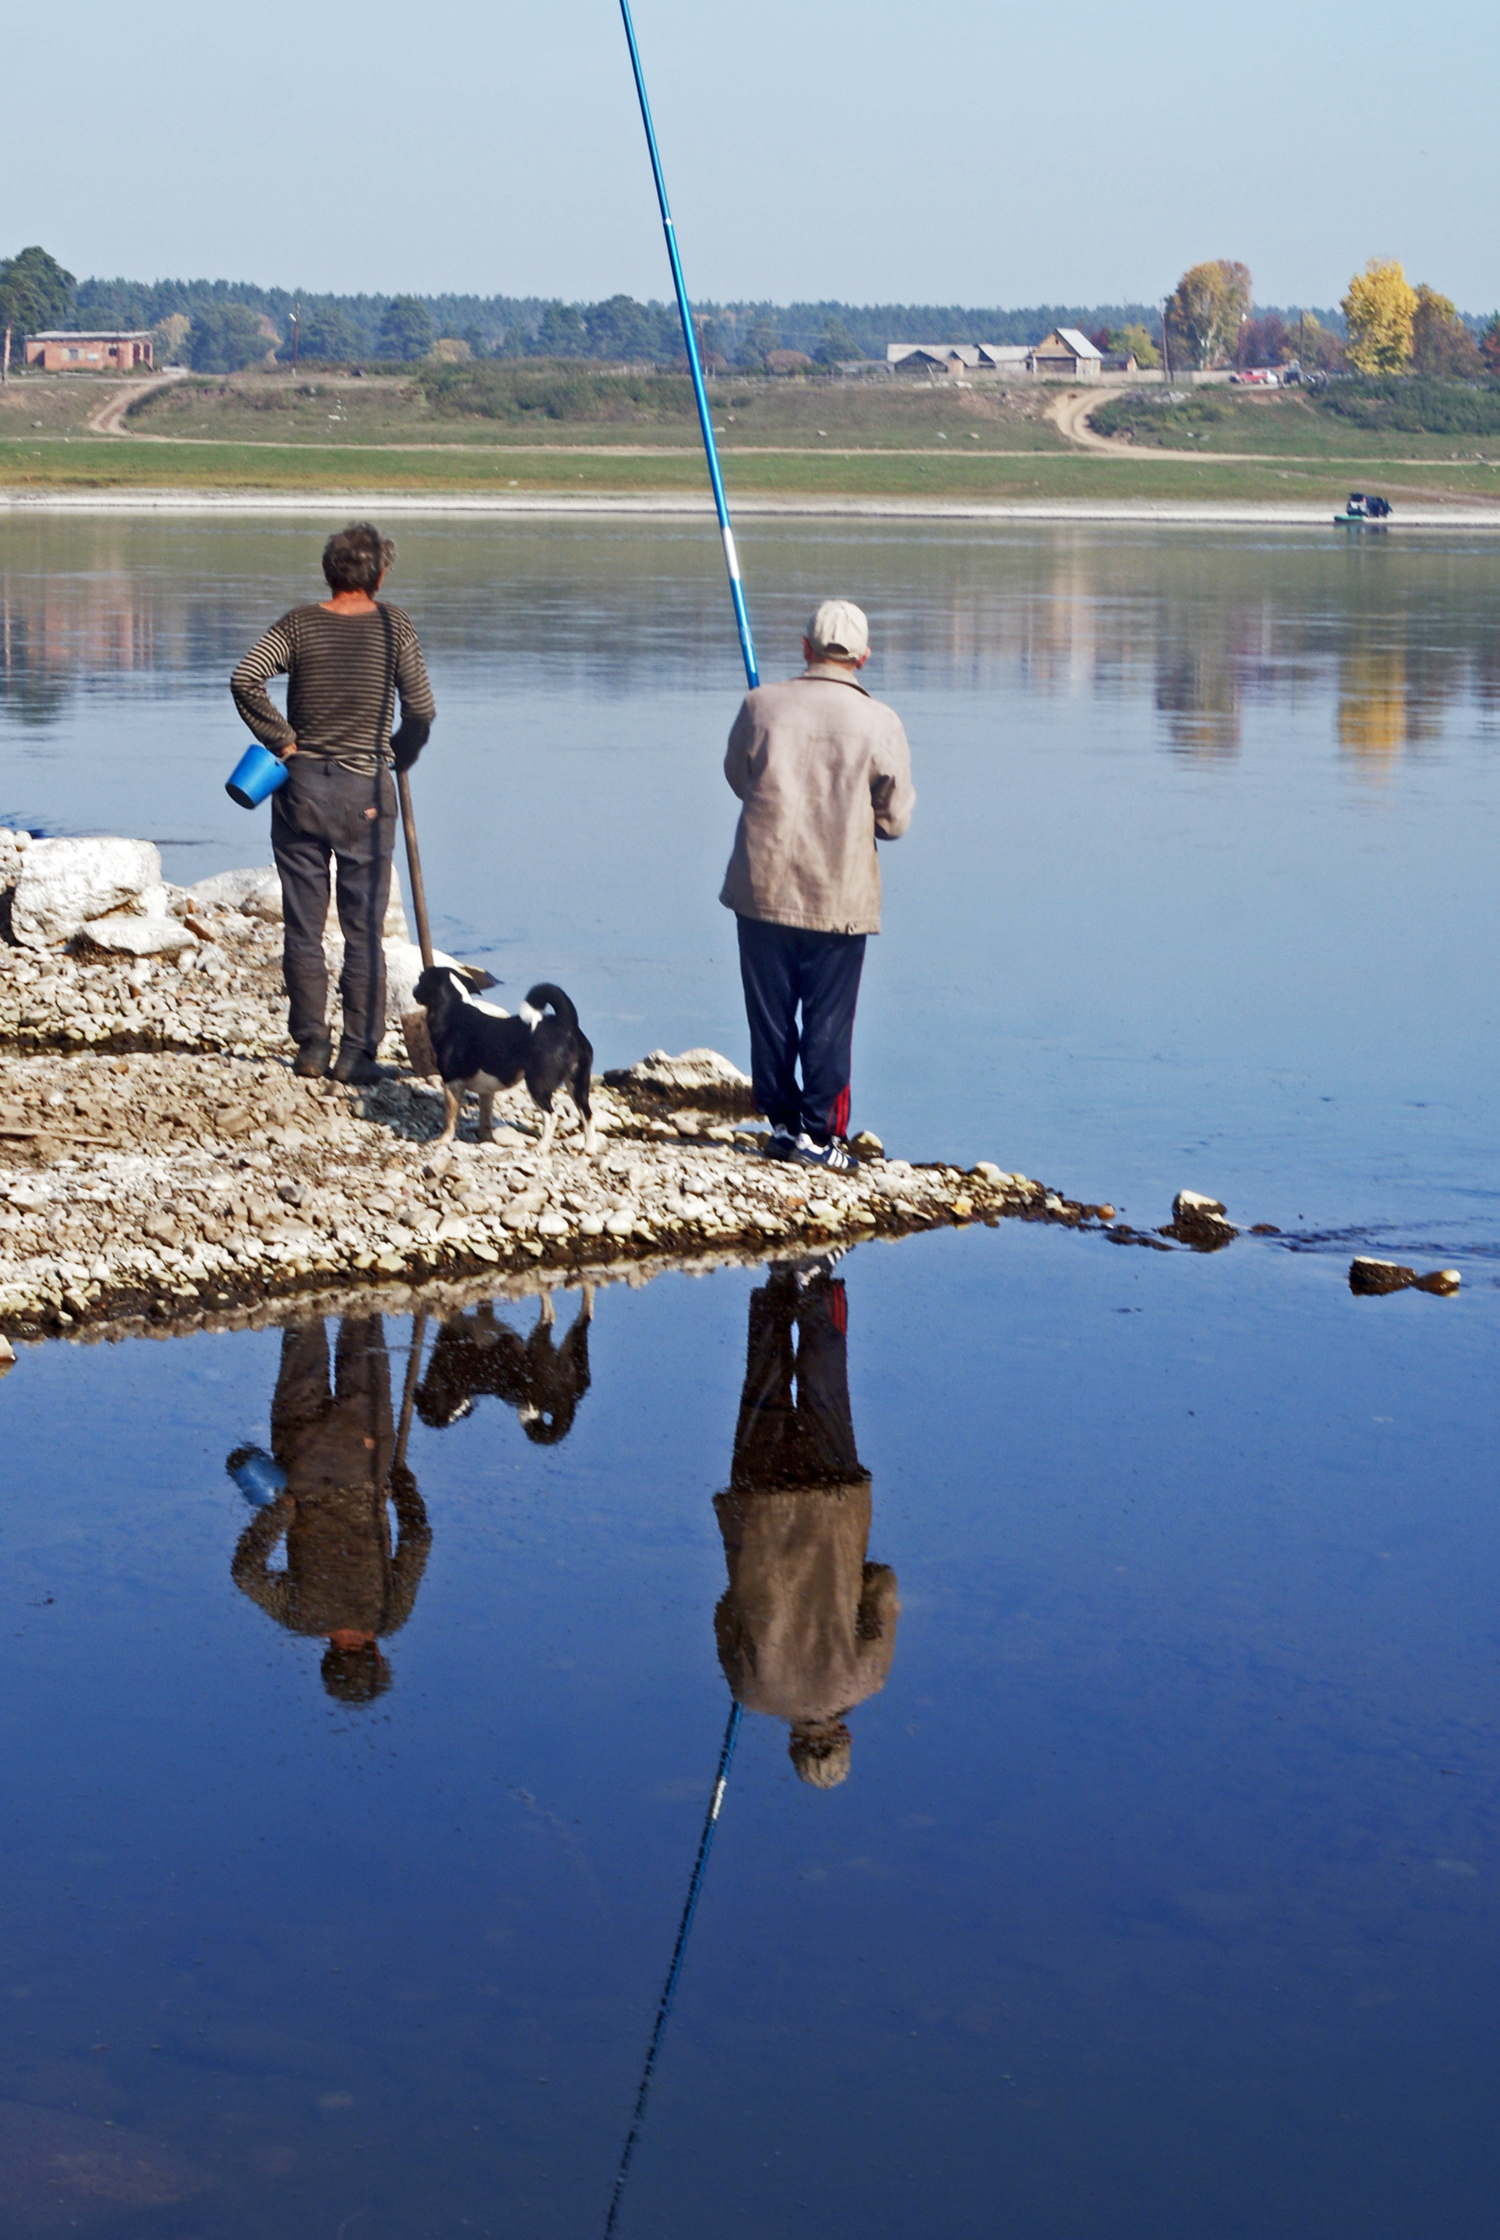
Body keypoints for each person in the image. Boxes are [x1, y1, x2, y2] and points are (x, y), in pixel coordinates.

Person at [230, 522, 436, 1084]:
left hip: (299, 789)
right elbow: (420, 709)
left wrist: (283, 738)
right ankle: (357, 1053)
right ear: (380, 575)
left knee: (303, 926)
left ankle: (311, 1046)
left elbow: (246, 678)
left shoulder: (298, 625)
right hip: (365, 791)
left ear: (329, 571)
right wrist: (402, 754)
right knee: (363, 927)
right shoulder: (395, 626)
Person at [720, 598, 915, 1172]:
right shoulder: (881, 721)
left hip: (762, 885)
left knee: (770, 1015)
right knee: (829, 1019)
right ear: (863, 656)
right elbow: (895, 819)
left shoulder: (760, 705)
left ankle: (781, 1126)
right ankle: (821, 1136)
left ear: (805, 648)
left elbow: (738, 778)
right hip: (838, 894)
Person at [713, 1259, 898, 1788]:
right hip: (759, 1516)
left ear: (844, 1736)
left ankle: (815, 1286)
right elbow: (727, 1612)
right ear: (795, 1743)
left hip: (833, 1507)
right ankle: (776, 1287)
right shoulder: (751, 1692)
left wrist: (853, 1579)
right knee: (763, 1390)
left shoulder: (867, 1680)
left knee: (825, 1394)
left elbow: (883, 1588)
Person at [229, 1315, 431, 1703]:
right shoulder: (300, 1617)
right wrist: (280, 1514)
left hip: (365, 1454)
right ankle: (296, 1264)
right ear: (328, 1655)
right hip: (301, 1462)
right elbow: (245, 1575)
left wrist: (404, 1488)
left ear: (376, 1653)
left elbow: (418, 1538)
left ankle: (368, 1263)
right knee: (302, 1329)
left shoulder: (389, 1615)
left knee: (364, 1327)